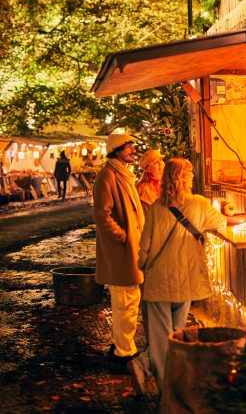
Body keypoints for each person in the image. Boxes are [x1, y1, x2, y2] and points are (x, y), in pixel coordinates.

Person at [128, 158, 226, 394]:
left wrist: (142, 266)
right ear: (182, 178)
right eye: (190, 174)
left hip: (158, 280)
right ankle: (166, 384)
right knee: (176, 333)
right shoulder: (199, 204)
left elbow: (145, 246)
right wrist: (235, 215)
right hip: (185, 280)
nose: (193, 177)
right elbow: (221, 223)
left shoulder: (156, 207)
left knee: (161, 337)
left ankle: (154, 375)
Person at [93, 133, 145, 373]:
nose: (133, 149)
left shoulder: (122, 174)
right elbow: (103, 216)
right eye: (129, 146)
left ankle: (120, 347)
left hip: (130, 249)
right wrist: (123, 237)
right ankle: (124, 352)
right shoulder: (108, 176)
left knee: (128, 300)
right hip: (121, 251)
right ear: (116, 149)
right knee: (126, 301)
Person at [136, 149, 165, 345]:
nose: (161, 166)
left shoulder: (168, 186)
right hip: (150, 246)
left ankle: (164, 339)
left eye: (161, 163)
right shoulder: (141, 191)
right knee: (150, 294)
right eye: (157, 163)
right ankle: (153, 341)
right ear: (148, 169)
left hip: (167, 245)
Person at [136, 149, 165, 216]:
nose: (161, 163)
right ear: (148, 169)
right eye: (156, 163)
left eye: (161, 160)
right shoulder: (142, 190)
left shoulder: (168, 183)